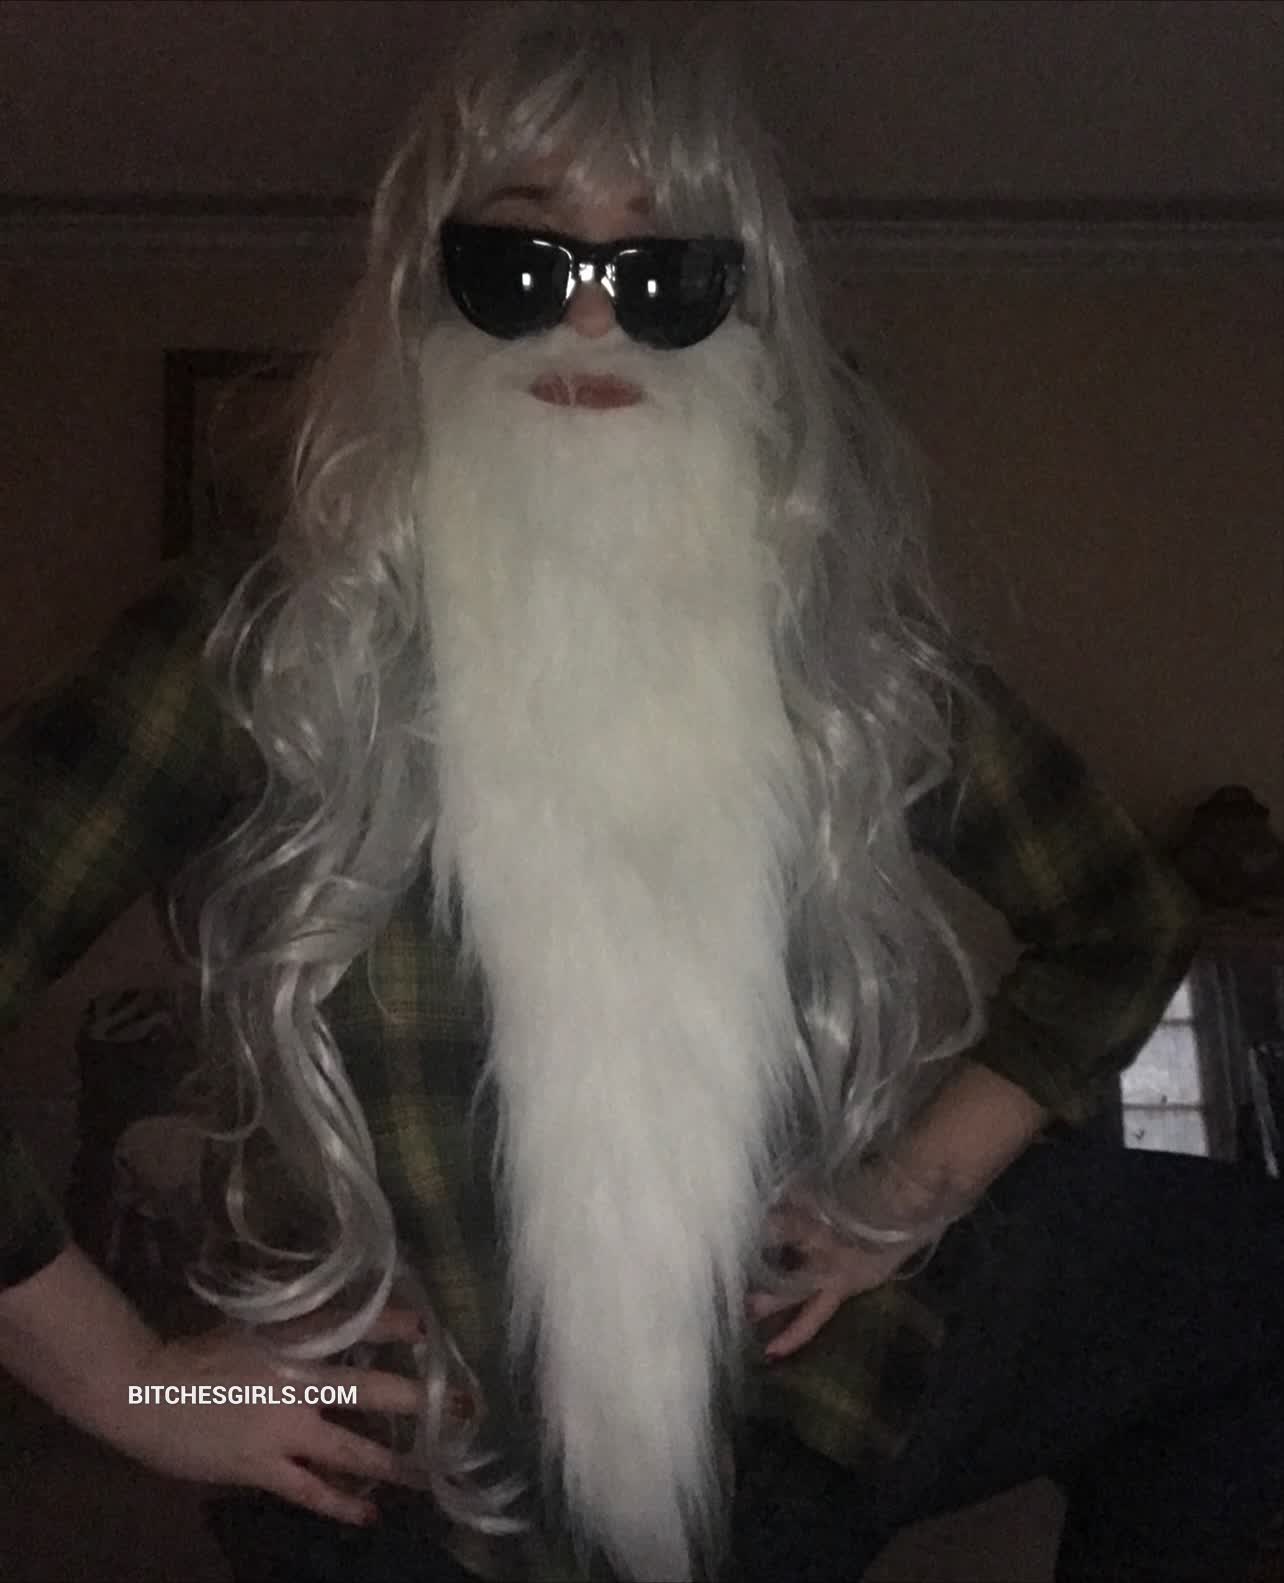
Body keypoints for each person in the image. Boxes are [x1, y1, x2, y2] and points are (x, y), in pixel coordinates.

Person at [0, 11, 1279, 1583]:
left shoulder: (834, 650)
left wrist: (910, 1194)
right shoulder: (264, 640)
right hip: (397, 1488)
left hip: (783, 1445)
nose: (593, 316)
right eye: (521, 260)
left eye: (665, 271)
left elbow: (1120, 911)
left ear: (744, 304)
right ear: (427, 283)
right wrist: (130, 1382)